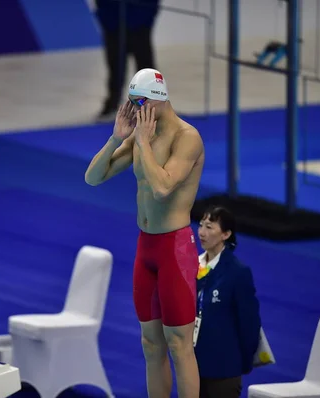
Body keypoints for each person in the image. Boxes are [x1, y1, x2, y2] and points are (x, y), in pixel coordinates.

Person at [85, 68, 205, 398]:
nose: (136, 109)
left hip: (174, 250)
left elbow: (164, 186)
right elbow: (93, 178)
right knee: (151, 344)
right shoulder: (142, 134)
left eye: (140, 102)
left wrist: (141, 142)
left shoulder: (186, 137)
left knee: (179, 345)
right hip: (146, 248)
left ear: (159, 100)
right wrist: (116, 138)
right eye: (132, 102)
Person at [195, 205, 261, 398]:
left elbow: (249, 323)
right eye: (201, 225)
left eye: (209, 227)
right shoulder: (190, 265)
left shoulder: (237, 273)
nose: (201, 232)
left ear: (226, 234)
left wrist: (242, 362)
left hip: (223, 370)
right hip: (191, 366)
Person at [94, 0, 160, 120]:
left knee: (145, 68)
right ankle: (113, 102)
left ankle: (151, 104)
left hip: (140, 23)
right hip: (114, 24)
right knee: (115, 67)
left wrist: (147, 18)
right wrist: (106, 20)